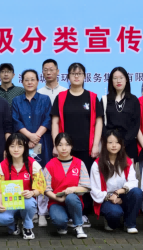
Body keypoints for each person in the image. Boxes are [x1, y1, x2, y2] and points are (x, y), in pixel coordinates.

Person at [51, 62, 104, 225]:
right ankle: (64, 211)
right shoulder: (61, 97)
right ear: (68, 77)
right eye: (73, 73)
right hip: (65, 148)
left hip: (86, 148)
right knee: (65, 180)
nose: (76, 76)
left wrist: (96, 145)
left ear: (84, 77)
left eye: (79, 73)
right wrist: (56, 144)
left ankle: (83, 213)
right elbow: (55, 122)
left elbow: (99, 122)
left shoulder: (92, 97)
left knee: (84, 181)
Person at [90, 129, 143, 233]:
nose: (114, 145)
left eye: (117, 142)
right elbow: (95, 190)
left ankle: (130, 224)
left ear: (121, 145)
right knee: (114, 215)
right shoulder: (97, 164)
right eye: (110, 142)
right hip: (106, 199)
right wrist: (111, 198)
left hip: (123, 195)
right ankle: (110, 220)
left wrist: (117, 193)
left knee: (137, 192)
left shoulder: (127, 162)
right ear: (105, 144)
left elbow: (133, 182)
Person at [0, 133, 42, 239]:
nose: (16, 150)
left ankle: (27, 226)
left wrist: (32, 193)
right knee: (0, 218)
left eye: (20, 146)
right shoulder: (2, 166)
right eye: (12, 146)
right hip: (9, 202)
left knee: (30, 203)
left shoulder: (33, 164)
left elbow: (40, 187)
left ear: (25, 148)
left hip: (26, 201)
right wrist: (0, 204)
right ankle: (13, 225)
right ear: (7, 148)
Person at [43, 132, 90, 238]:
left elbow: (86, 187)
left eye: (67, 144)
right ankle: (62, 225)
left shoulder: (79, 163)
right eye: (60, 145)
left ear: (71, 146)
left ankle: (78, 225)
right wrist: (57, 198)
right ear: (56, 146)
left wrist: (73, 189)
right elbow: (46, 189)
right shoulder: (50, 165)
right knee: (59, 221)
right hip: (56, 202)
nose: (64, 148)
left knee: (71, 197)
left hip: (74, 202)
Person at [12, 69, 53, 166]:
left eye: (32, 79)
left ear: (38, 81)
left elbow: (48, 119)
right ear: (22, 82)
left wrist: (35, 137)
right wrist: (30, 136)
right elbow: (16, 121)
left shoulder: (45, 99)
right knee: (24, 169)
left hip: (42, 141)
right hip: (22, 141)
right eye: (26, 80)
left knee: (42, 169)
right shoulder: (16, 101)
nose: (29, 82)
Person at [102, 67, 141, 161]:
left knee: (129, 170)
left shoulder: (133, 100)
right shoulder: (105, 100)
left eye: (121, 77)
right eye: (115, 78)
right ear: (111, 81)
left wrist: (123, 142)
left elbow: (135, 124)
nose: (118, 81)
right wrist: (110, 141)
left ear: (126, 79)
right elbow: (101, 123)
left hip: (129, 144)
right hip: (110, 145)